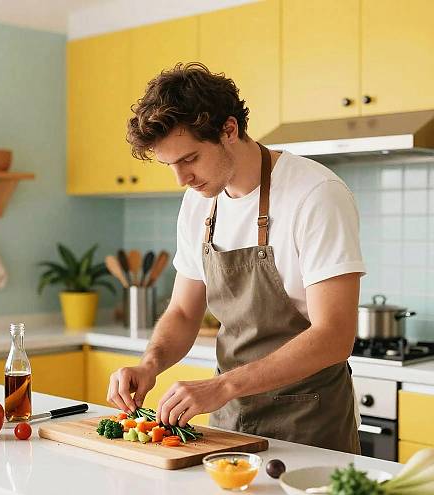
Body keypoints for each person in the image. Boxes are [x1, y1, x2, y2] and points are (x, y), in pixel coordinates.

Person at [107, 62, 365, 453]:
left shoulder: (316, 194)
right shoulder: (199, 204)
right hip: (229, 422)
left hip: (310, 425)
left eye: (189, 159)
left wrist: (224, 385)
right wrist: (149, 365)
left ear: (229, 130)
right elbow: (182, 311)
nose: (182, 180)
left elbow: (334, 336)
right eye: (170, 165)